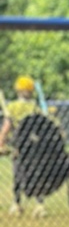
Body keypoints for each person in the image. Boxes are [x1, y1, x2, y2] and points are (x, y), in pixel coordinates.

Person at [0, 74, 47, 215]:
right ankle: (39, 204)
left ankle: (17, 203)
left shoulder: (12, 107)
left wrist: (1, 142)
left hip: (18, 145)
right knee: (36, 174)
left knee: (18, 174)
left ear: (17, 90)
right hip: (34, 145)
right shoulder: (34, 107)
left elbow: (7, 127)